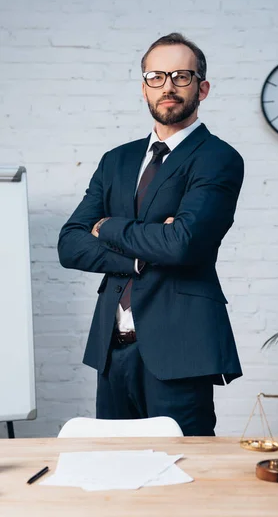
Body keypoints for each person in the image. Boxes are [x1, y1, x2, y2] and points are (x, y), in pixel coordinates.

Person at [58, 32, 244, 436]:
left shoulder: (218, 158)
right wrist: (139, 254)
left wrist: (108, 227)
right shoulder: (116, 161)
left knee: (183, 473)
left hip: (180, 349)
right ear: (145, 88)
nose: (169, 87)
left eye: (181, 75)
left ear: (202, 87)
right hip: (113, 348)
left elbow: (184, 244)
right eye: (156, 77)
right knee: (113, 475)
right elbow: (70, 243)